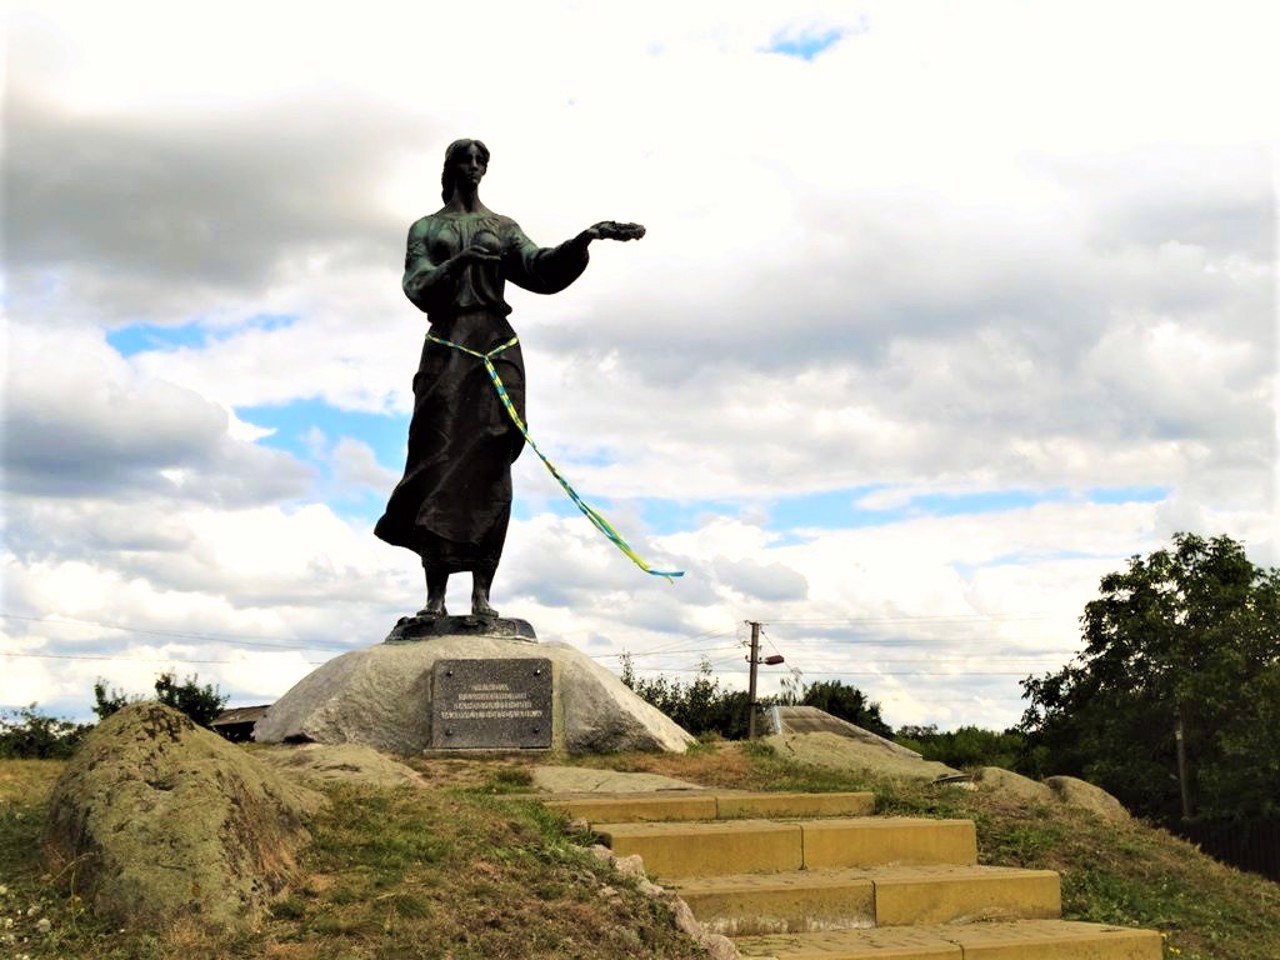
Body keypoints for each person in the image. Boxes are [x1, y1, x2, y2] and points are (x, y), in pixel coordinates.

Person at [375, 138, 644, 619]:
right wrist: (462, 261)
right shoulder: (426, 228)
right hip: (448, 349)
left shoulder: (503, 228)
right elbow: (417, 285)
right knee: (435, 464)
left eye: (482, 161)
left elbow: (539, 269)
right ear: (450, 167)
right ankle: (434, 600)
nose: (475, 167)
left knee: (492, 462)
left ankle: (482, 594)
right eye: (467, 159)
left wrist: (583, 239)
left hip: (497, 348)